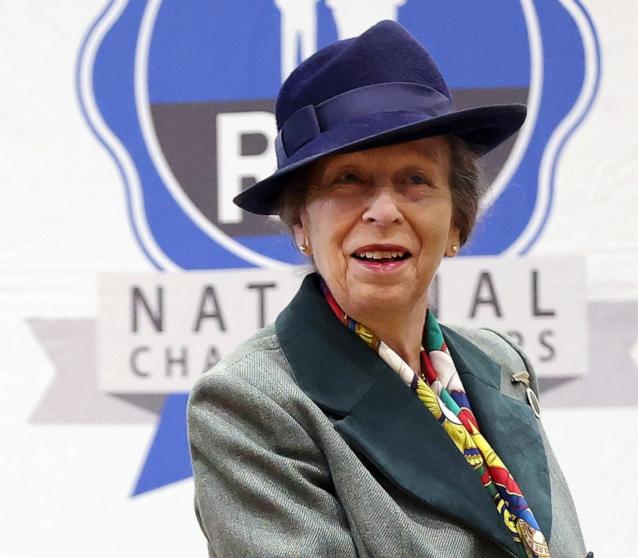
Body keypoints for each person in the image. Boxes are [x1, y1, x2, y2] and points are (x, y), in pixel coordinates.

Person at [187, 20, 589, 558]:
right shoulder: (251, 400)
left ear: (457, 222)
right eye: (347, 180)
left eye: (415, 180)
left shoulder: (500, 360)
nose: (382, 211)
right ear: (302, 224)